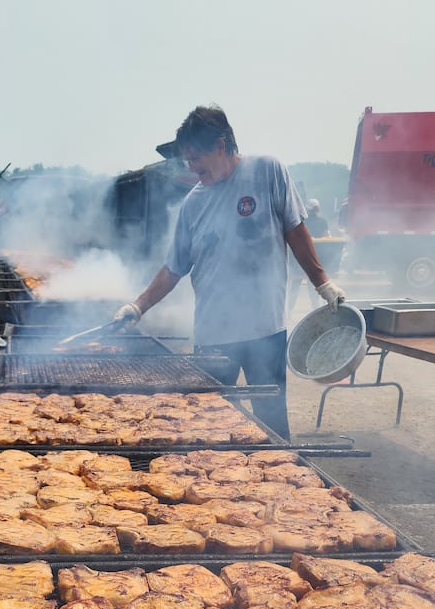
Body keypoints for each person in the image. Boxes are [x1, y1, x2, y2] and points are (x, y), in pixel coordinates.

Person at [113, 106, 345, 440]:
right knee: (208, 428)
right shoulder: (193, 204)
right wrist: (137, 306)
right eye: (187, 161)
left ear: (221, 145)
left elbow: (296, 229)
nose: (192, 168)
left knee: (272, 423)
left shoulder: (267, 171)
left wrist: (322, 283)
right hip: (213, 335)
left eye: (195, 158)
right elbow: (173, 268)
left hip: (265, 329)